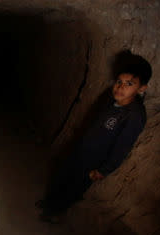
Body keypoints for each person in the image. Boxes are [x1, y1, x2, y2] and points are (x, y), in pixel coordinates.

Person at [38, 54, 152, 223]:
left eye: (129, 84)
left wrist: (104, 169)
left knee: (74, 186)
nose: (120, 87)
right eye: (119, 81)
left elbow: (122, 147)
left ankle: (55, 212)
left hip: (94, 160)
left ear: (142, 88)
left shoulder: (134, 115)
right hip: (82, 149)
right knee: (63, 175)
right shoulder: (111, 100)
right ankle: (50, 202)